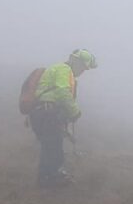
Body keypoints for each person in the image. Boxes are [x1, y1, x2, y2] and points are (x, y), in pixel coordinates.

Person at [32, 49, 97, 187]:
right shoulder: (64, 69)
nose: (82, 71)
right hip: (47, 114)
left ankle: (47, 182)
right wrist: (75, 111)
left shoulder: (64, 71)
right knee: (52, 149)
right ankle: (49, 183)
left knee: (52, 149)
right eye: (82, 67)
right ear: (75, 61)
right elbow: (62, 92)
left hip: (45, 114)